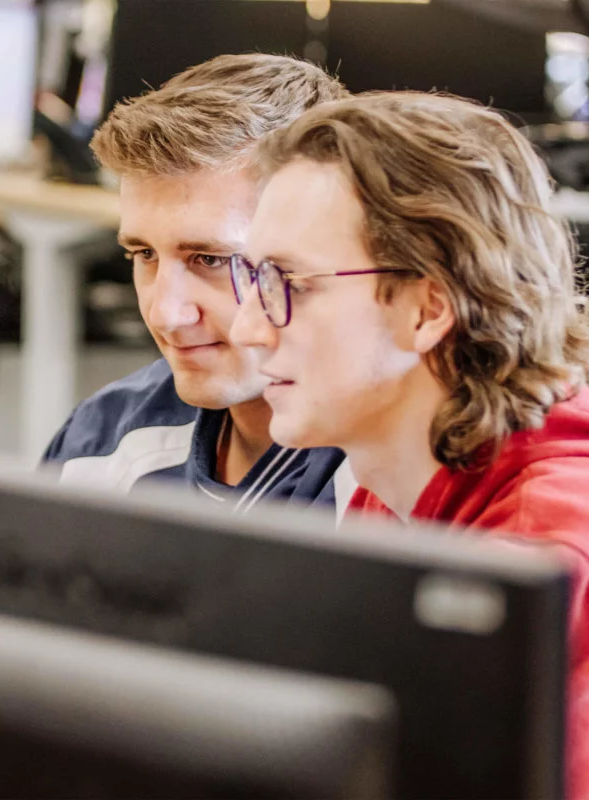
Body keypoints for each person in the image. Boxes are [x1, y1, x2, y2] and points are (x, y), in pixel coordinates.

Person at [229, 90, 589, 797]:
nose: (247, 327)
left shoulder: (540, 571)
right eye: (254, 278)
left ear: (426, 310)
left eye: (288, 284)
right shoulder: (400, 479)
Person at [42, 53, 354, 517]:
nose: (165, 314)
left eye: (209, 259)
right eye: (143, 254)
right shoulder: (100, 442)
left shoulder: (405, 475)